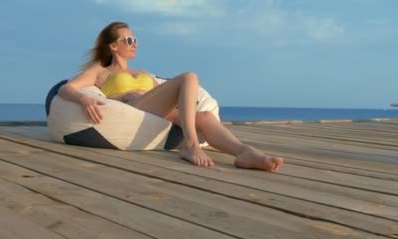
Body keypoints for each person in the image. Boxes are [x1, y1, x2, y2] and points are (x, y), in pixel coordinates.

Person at [59, 21, 284, 172]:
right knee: (189, 76)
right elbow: (66, 89)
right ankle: (190, 143)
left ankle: (246, 153)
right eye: (128, 40)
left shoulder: (143, 73)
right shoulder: (101, 71)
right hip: (131, 108)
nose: (134, 44)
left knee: (205, 116)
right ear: (113, 46)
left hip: (153, 111)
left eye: (135, 39)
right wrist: (84, 99)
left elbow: (163, 95)